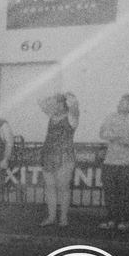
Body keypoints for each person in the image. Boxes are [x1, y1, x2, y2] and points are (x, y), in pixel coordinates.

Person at [97, 94, 129, 232]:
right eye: (120, 102)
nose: (119, 104)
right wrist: (121, 135)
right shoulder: (111, 116)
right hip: (110, 161)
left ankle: (125, 220)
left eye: (123, 103)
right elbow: (102, 132)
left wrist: (115, 135)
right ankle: (111, 219)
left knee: (126, 193)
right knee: (110, 192)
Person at [38, 92, 79, 227]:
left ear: (63, 104)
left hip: (64, 156)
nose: (53, 106)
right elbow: (40, 102)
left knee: (63, 187)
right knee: (49, 187)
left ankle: (63, 218)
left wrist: (71, 99)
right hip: (48, 155)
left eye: (56, 103)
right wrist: (51, 97)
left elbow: (74, 109)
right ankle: (51, 217)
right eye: (53, 103)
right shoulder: (52, 116)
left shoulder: (71, 117)